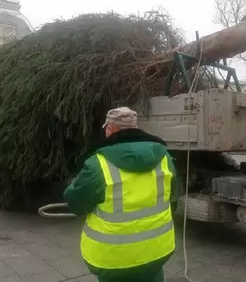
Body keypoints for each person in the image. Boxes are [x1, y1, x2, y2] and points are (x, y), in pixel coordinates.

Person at [64, 107, 177, 282]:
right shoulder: (164, 158)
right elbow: (174, 194)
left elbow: (76, 203)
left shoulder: (97, 165)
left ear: (110, 129)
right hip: (157, 250)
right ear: (135, 127)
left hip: (113, 259)